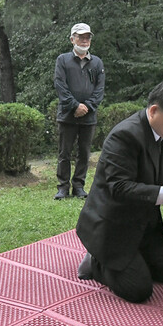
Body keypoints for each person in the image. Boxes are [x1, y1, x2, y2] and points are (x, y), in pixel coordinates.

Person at [74, 80, 163, 303]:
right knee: (139, 290)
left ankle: (133, 258)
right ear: (154, 111)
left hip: (144, 224)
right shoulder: (124, 136)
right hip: (113, 226)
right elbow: (119, 188)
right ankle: (97, 261)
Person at [53, 22, 105, 200]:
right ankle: (62, 188)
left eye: (87, 37)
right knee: (64, 153)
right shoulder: (63, 60)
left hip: (88, 117)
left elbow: (99, 90)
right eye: (81, 37)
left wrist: (87, 107)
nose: (84, 40)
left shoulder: (97, 62)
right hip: (67, 115)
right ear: (72, 39)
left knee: (84, 153)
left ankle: (79, 187)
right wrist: (75, 106)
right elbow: (60, 86)